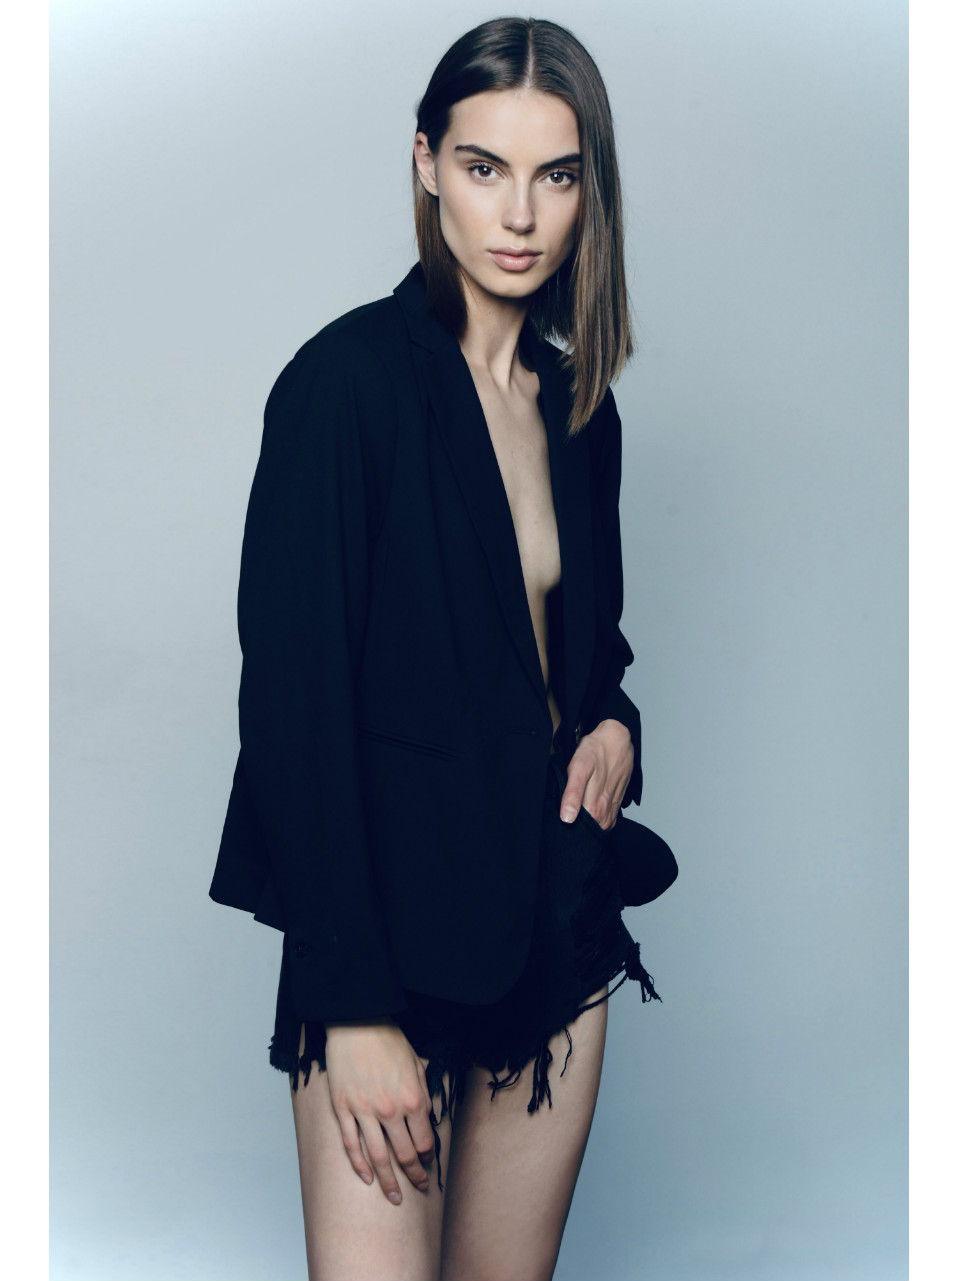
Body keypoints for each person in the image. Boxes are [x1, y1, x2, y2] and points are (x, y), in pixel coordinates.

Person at [210, 16, 668, 1281]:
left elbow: (586, 654)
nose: (519, 214)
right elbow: (294, 717)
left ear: (588, 188)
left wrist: (618, 725)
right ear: (426, 163)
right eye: (483, 167)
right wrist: (352, 1008)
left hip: (553, 926)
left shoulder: (581, 410)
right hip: (387, 953)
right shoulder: (343, 389)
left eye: (555, 175)